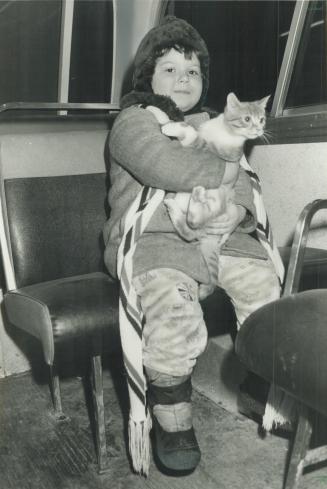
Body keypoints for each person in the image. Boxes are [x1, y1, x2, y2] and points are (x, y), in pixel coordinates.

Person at [103, 15, 281, 476]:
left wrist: (236, 212)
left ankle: (262, 388)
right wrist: (227, 169)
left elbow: (246, 190)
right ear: (147, 76)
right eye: (170, 68)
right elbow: (168, 167)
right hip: (154, 238)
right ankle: (172, 416)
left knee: (263, 280)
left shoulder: (214, 122)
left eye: (193, 71)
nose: (184, 78)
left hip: (216, 237)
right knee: (173, 310)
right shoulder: (133, 121)